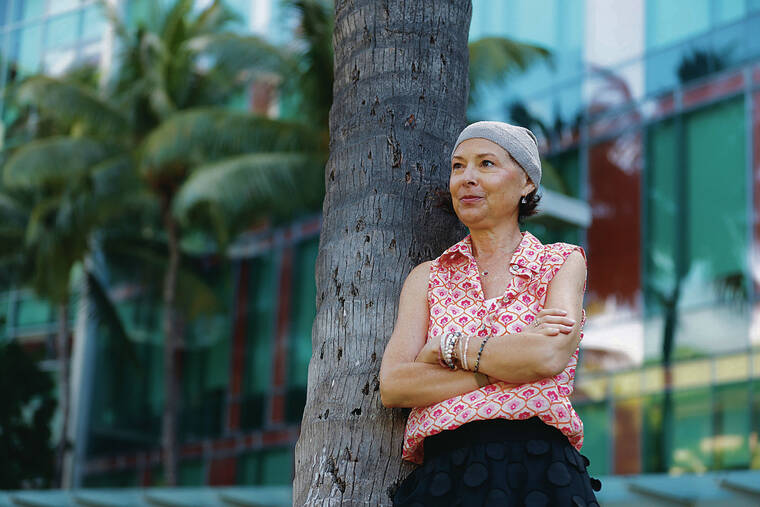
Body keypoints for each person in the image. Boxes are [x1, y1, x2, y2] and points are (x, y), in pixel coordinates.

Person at [379, 121, 601, 506]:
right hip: (443, 479)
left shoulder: (561, 261)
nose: (466, 178)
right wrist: (507, 364)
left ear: (527, 183)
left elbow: (547, 355)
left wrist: (447, 349)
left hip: (541, 474)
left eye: (486, 164)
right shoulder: (426, 278)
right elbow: (395, 385)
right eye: (458, 166)